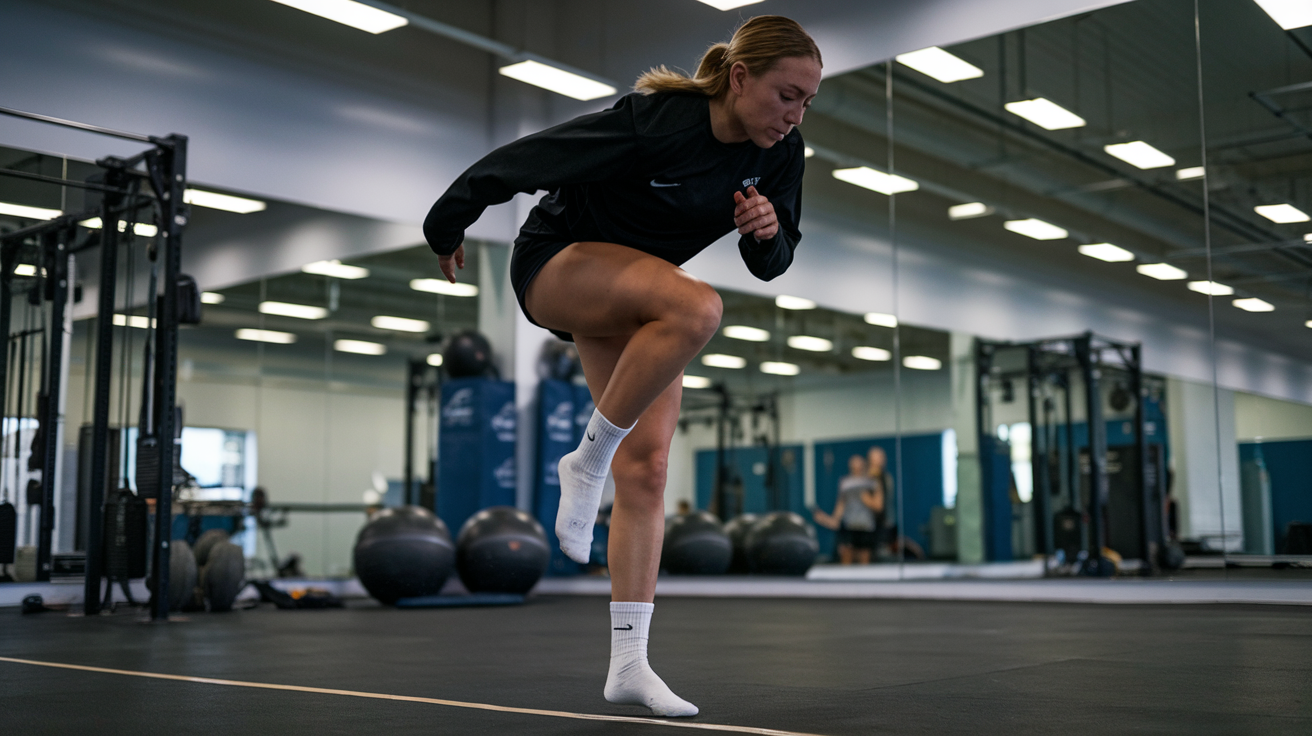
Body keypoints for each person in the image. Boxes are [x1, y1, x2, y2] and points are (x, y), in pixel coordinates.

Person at [423, 16, 822, 718]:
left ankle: (629, 663)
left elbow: (775, 256)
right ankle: (586, 461)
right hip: (558, 263)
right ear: (739, 78)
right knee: (699, 309)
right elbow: (533, 157)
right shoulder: (661, 121)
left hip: (638, 297)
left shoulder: (781, 157)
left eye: (807, 102)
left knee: (650, 470)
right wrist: (447, 221)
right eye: (787, 94)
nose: (794, 115)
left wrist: (765, 233)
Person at [812, 454, 881, 564]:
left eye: (858, 463)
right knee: (846, 557)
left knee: (864, 559)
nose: (856, 465)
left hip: (866, 526)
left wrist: (868, 500)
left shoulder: (871, 482)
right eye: (853, 463)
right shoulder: (845, 482)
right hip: (849, 525)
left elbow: (878, 505)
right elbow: (841, 505)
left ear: (863, 465)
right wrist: (829, 519)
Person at [867, 446, 925, 560]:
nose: (881, 460)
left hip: (885, 524)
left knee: (886, 554)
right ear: (870, 460)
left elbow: (882, 505)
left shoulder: (886, 478)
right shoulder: (866, 479)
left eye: (882, 457)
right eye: (877, 457)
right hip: (869, 526)